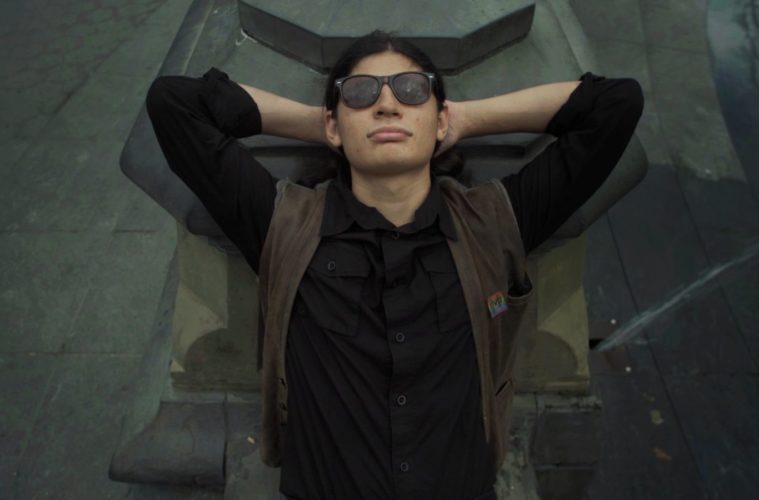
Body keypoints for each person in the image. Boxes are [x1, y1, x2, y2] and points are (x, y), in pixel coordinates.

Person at [145, 30, 643, 500]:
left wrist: (461, 118)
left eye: (412, 90)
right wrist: (328, 124)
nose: (387, 104)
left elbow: (615, 104)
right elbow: (174, 103)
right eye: (360, 93)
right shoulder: (284, 223)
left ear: (439, 119)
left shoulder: (490, 223)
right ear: (333, 124)